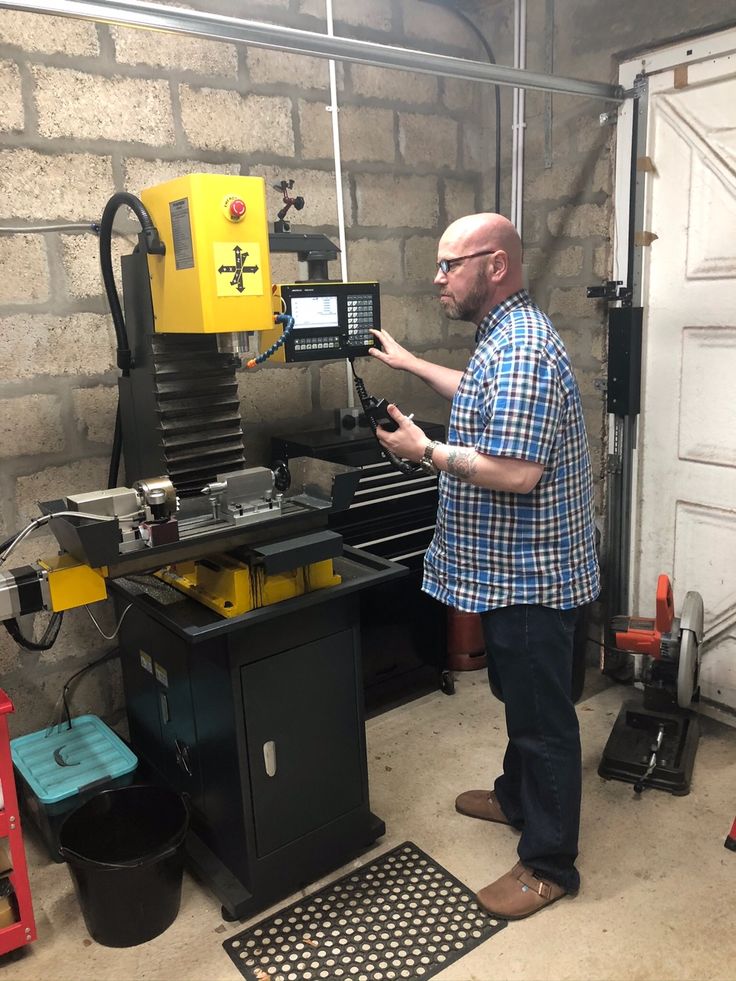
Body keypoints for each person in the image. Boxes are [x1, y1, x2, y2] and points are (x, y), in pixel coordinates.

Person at [368, 212, 600, 920]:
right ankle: (516, 797)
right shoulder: (505, 338)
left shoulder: (525, 347)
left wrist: (425, 452)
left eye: (450, 264)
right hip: (512, 572)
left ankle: (549, 862)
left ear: (495, 266)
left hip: (533, 577)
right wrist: (407, 362)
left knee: (541, 717)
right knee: (519, 696)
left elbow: (519, 472)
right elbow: (477, 386)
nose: (437, 277)